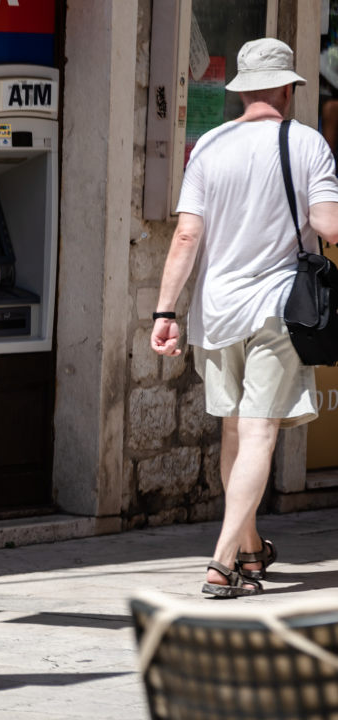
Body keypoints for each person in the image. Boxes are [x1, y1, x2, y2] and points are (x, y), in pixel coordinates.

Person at [151, 38, 338, 598]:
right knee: (258, 432)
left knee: (235, 429)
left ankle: (251, 549)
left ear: (240, 91)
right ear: (287, 88)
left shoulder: (208, 144)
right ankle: (222, 560)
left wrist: (164, 311)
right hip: (279, 309)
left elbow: (187, 234)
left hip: (216, 310)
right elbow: (328, 227)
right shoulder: (308, 144)